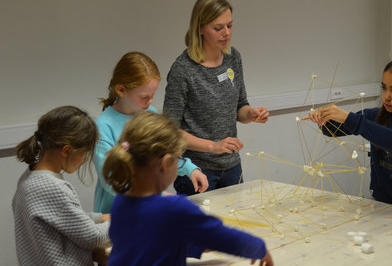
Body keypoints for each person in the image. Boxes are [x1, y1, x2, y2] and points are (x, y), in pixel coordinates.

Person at [103, 112, 274, 266]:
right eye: (179, 159)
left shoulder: (121, 201)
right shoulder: (173, 208)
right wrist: (259, 247)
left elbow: (154, 241)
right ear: (166, 164)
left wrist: (198, 244)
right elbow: (222, 237)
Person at [303, 55, 392, 209]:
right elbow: (334, 130)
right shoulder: (375, 116)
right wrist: (324, 120)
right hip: (383, 205)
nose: (387, 96)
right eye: (384, 87)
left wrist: (350, 119)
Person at [163, 0, 269, 195]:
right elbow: (169, 132)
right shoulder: (183, 70)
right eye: (218, 28)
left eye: (230, 25)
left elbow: (240, 107)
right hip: (196, 170)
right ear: (200, 29)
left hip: (231, 166)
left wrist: (251, 114)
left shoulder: (233, 57)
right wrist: (213, 146)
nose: (226, 33)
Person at [93, 51, 208, 213]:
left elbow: (166, 153)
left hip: (149, 209)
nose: (150, 101)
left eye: (153, 95)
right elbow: (110, 180)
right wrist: (157, 195)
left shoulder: (151, 113)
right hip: (116, 214)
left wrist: (189, 168)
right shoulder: (103, 126)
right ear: (121, 90)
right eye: (144, 97)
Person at [12, 106, 110, 266]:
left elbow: (62, 218)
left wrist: (100, 218)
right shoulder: (52, 187)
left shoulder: (29, 177)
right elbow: (92, 238)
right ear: (66, 150)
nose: (85, 159)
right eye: (85, 152)